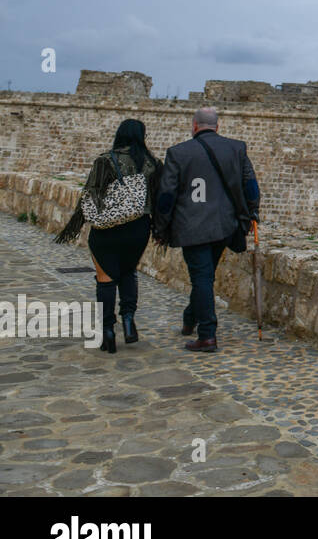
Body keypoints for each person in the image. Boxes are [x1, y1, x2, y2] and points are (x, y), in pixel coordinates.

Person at [154, 106, 260, 352]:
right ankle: (190, 318)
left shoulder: (178, 153)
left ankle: (207, 335)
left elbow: (167, 196)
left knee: (202, 278)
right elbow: (251, 185)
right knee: (205, 276)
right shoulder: (237, 148)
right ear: (217, 126)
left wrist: (160, 227)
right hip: (224, 226)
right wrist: (253, 212)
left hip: (191, 228)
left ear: (194, 126)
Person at [55, 119, 164, 354]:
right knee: (128, 270)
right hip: (138, 230)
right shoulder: (153, 164)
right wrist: (159, 230)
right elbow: (158, 202)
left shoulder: (105, 160)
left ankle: (108, 330)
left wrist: (73, 226)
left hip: (106, 229)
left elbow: (90, 197)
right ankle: (128, 320)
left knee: (105, 277)